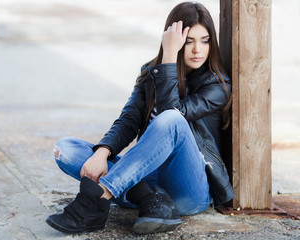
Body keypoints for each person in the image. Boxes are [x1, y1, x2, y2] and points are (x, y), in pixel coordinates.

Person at [46, 1, 234, 235]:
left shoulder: (217, 84)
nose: (198, 50)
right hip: (147, 181)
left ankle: (99, 198)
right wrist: (102, 152)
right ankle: (149, 201)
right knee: (66, 149)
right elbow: (128, 121)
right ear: (172, 41)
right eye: (188, 41)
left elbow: (170, 111)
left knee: (172, 120)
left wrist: (168, 58)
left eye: (205, 41)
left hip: (189, 192)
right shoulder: (150, 73)